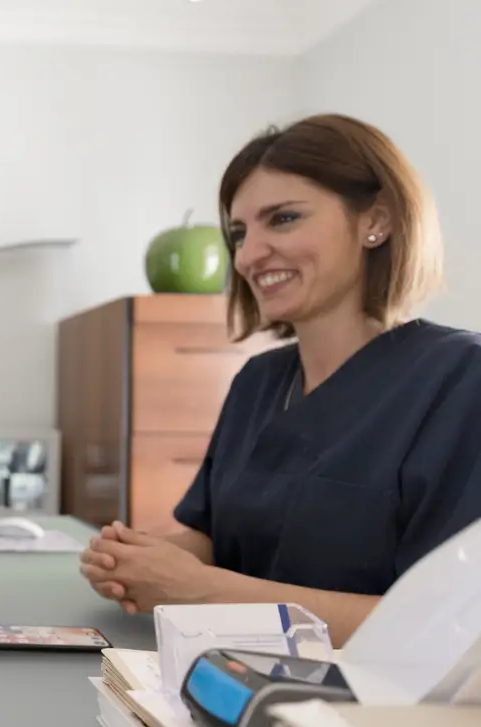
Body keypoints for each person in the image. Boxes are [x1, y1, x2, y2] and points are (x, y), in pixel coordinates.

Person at [79, 114, 481, 647]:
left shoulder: (459, 379)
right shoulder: (258, 381)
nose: (248, 255)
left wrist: (200, 590)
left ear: (376, 222)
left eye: (284, 219)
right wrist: (134, 559)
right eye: (239, 234)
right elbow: (214, 539)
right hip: (227, 671)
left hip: (362, 695)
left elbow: (444, 628)